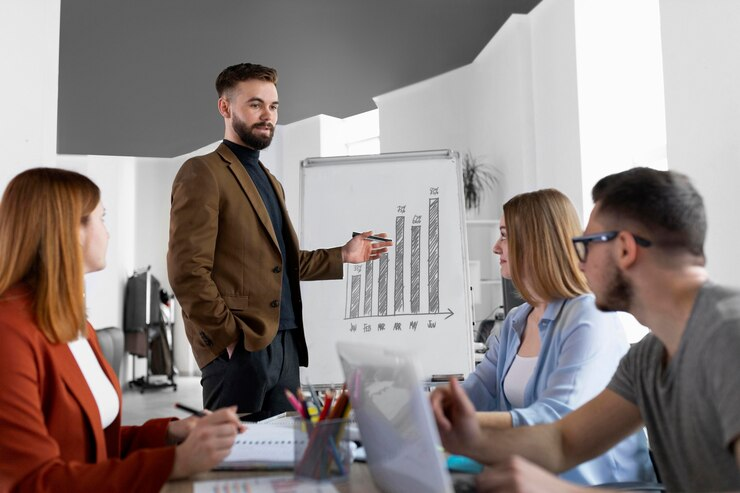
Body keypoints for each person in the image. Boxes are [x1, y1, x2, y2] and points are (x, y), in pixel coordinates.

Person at [432, 167, 740, 492]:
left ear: (624, 249)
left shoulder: (728, 336)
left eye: (587, 245)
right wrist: (470, 435)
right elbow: (562, 442)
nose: (579, 262)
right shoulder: (650, 356)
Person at [167, 62, 391, 420]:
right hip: (241, 349)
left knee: (286, 458)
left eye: (273, 106)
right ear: (225, 108)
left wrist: (344, 255)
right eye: (255, 104)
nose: (267, 115)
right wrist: (228, 338)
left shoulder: (271, 181)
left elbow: (282, 263)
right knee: (234, 459)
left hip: (286, 345)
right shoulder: (202, 172)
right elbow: (187, 270)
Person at [0, 168, 245, 493]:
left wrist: (170, 434)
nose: (107, 233)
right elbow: (32, 482)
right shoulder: (10, 334)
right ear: (70, 230)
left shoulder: (74, 324)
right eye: (101, 218)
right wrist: (175, 463)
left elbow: (93, 443)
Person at [431, 188, 654, 485]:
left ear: (536, 242)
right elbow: (478, 393)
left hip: (595, 484)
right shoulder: (517, 321)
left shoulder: (590, 316)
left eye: (505, 235)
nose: (496, 247)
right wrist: (424, 407)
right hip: (531, 476)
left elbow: (556, 416)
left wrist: (459, 420)